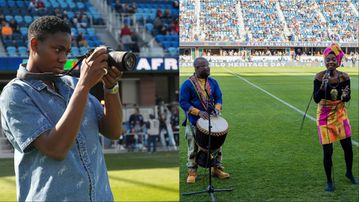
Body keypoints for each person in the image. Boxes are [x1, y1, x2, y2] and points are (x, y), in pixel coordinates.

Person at [0, 16, 123, 201]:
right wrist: (83, 85)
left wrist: (110, 88)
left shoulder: (73, 85)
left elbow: (113, 131)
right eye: (57, 50)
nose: (63, 59)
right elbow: (56, 149)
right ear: (34, 45)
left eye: (67, 51)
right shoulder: (15, 93)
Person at [313, 43, 358, 192]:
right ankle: (329, 181)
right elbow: (316, 99)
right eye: (328, 59)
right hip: (324, 115)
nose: (330, 62)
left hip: (340, 113)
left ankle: (349, 172)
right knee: (328, 151)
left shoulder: (344, 77)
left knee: (348, 148)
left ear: (338, 61)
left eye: (333, 59)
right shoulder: (319, 77)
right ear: (324, 61)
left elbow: (347, 96)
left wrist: (346, 96)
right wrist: (322, 87)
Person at [179, 57, 230, 184]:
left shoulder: (213, 82)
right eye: (204, 66)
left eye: (208, 65)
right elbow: (183, 102)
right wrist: (198, 112)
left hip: (212, 119)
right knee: (193, 147)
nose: (208, 68)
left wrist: (217, 108)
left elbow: (219, 97)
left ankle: (217, 168)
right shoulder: (187, 84)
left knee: (217, 146)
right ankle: (192, 171)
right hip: (194, 121)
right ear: (196, 68)